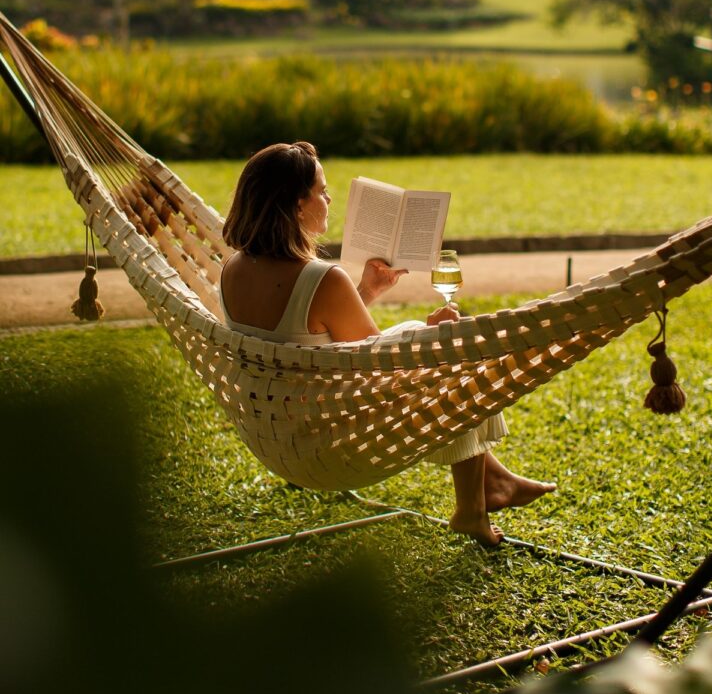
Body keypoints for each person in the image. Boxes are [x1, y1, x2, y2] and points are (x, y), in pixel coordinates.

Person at [220, 141, 555, 546]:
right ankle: (472, 508)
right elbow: (381, 367)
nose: (329, 198)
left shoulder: (232, 268)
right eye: (322, 191)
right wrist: (437, 336)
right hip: (334, 438)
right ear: (296, 206)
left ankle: (494, 480)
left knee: (421, 331)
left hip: (281, 431)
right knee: (459, 355)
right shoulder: (322, 279)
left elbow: (304, 336)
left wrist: (367, 289)